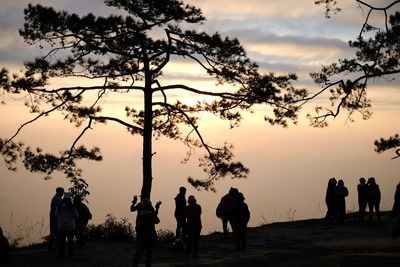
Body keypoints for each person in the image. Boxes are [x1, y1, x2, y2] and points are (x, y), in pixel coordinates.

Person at [131, 196, 161, 267]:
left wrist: (134, 202)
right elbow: (157, 221)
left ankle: (135, 264)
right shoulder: (151, 213)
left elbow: (132, 209)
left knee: (139, 249)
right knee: (149, 251)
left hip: (141, 233)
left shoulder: (140, 214)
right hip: (150, 234)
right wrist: (156, 209)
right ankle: (148, 265)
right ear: (149, 205)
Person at [57, 192, 79, 257]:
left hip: (62, 226)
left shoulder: (59, 207)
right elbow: (77, 216)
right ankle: (70, 254)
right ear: (70, 199)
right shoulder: (72, 207)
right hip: (70, 226)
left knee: (62, 241)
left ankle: (61, 254)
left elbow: (56, 216)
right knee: (70, 241)